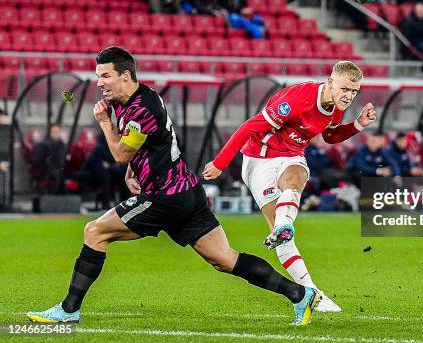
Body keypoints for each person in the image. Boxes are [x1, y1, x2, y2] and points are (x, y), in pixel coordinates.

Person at [27, 47, 321, 326]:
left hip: (163, 197)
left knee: (94, 231)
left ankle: (68, 310)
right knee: (225, 259)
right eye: (97, 75)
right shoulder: (137, 98)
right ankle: (300, 294)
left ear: (125, 76)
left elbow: (119, 152)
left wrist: (105, 123)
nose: (99, 82)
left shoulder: (140, 109)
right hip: (188, 192)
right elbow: (154, 142)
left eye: (105, 75)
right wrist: (133, 169)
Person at [203, 61, 377, 313]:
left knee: (296, 178)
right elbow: (249, 127)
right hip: (259, 159)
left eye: (354, 91)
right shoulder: (297, 100)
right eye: (344, 89)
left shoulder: (335, 107)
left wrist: (358, 125)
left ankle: (285, 226)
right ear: (330, 82)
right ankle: (312, 292)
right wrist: (220, 163)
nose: (349, 96)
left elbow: (330, 136)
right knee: (281, 236)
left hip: (291, 156)